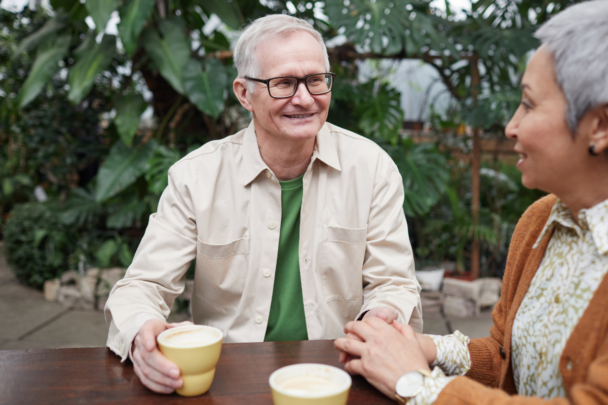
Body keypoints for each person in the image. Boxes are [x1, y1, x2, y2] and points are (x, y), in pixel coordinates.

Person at [104, 14, 422, 394]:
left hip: (339, 374)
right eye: (284, 83)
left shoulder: (371, 169)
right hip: (227, 378)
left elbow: (395, 283)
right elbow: (142, 286)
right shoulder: (197, 176)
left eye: (316, 80)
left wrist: (379, 319)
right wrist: (142, 332)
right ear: (244, 94)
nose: (304, 98)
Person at [334, 1, 608, 404]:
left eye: (529, 105)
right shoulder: (541, 222)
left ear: (599, 125)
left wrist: (416, 382)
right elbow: (502, 357)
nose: (511, 126)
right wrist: (424, 348)